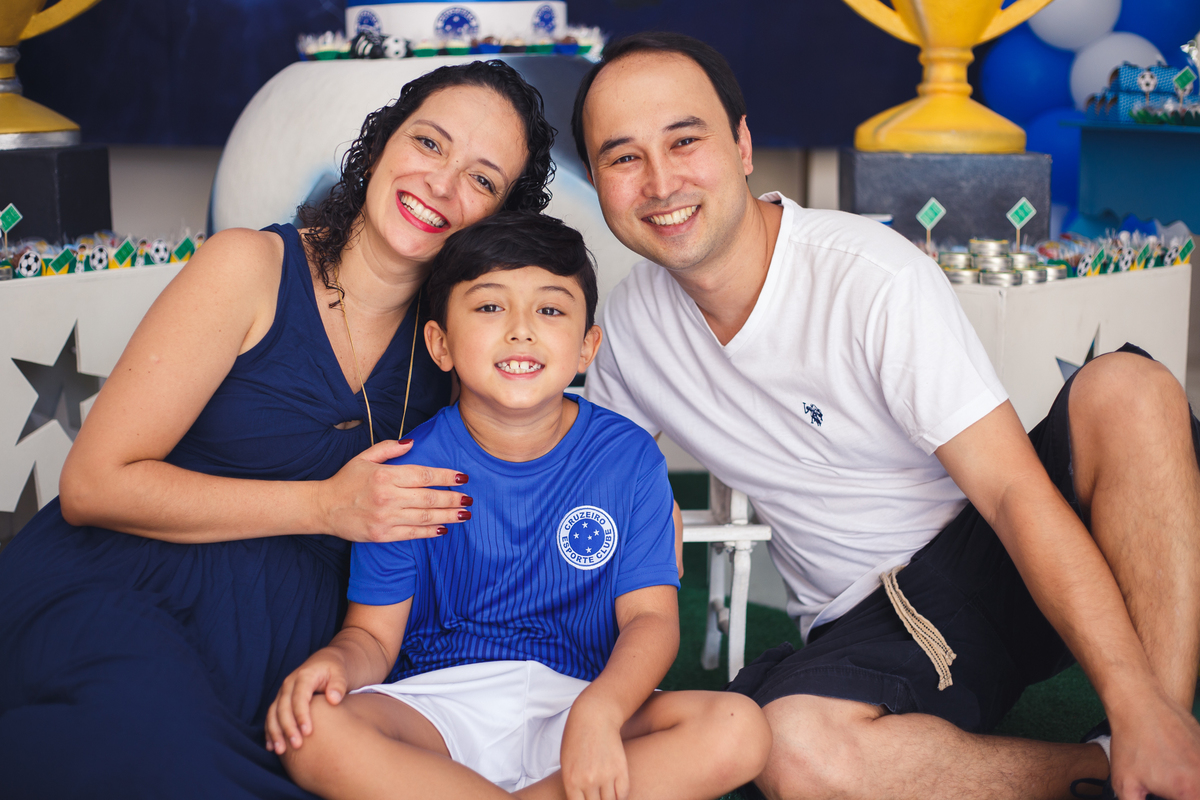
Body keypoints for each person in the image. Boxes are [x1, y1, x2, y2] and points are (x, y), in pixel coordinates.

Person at [571, 31, 1200, 800]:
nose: (661, 181)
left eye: (685, 140)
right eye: (624, 157)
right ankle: (1107, 772)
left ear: (740, 144)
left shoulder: (869, 275)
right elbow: (583, 475)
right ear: (596, 181)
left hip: (989, 555)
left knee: (1129, 388)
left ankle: (1158, 726)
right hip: (867, 622)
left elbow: (1010, 492)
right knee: (793, 749)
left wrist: (1136, 700)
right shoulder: (631, 322)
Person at [0, 60, 555, 799]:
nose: (443, 185)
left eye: (483, 180)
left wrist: (631, 492)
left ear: (502, 217)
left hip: (296, 644)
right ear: (384, 141)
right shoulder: (250, 268)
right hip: (133, 586)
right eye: (429, 144)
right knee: (160, 758)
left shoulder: (460, 345)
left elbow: (522, 469)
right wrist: (325, 506)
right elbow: (93, 486)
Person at [263, 212, 771, 800]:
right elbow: (373, 640)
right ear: (441, 344)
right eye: (489, 307)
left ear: (587, 346)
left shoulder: (628, 457)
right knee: (312, 732)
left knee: (739, 729)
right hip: (439, 710)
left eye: (551, 310)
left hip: (580, 700)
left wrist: (600, 714)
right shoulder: (405, 469)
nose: (521, 330)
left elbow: (650, 622)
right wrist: (335, 664)